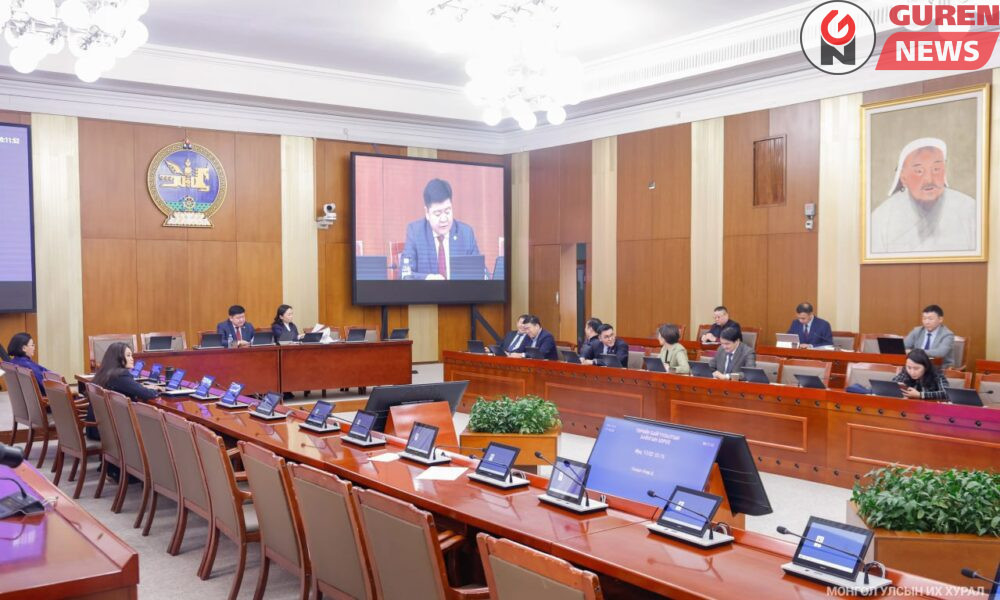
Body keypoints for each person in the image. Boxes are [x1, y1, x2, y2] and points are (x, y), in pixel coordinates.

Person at [870, 138, 977, 255]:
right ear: (903, 177)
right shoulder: (882, 218)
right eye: (919, 171)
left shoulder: (969, 209)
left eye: (936, 169)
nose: (929, 179)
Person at [400, 178, 481, 280]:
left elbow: (480, 272)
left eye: (447, 212)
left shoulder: (466, 233)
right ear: (427, 213)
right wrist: (427, 278)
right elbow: (405, 274)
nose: (444, 219)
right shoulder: (415, 232)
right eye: (438, 214)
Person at [91, 342, 159, 402]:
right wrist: (156, 390)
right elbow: (146, 394)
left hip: (100, 412)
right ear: (118, 358)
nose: (132, 359)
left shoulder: (104, 372)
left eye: (131, 355)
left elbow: (131, 387)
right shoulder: (121, 375)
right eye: (128, 355)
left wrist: (141, 387)